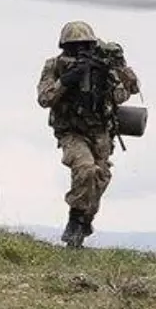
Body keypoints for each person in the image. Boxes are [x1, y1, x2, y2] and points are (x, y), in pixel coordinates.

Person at [36, 20, 140, 247]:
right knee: (85, 169)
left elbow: (129, 91)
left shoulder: (103, 67)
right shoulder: (55, 66)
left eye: (85, 46)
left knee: (100, 178)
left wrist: (115, 69)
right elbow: (45, 99)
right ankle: (75, 221)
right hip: (71, 132)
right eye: (74, 47)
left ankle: (83, 223)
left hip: (101, 133)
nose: (80, 51)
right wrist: (66, 80)